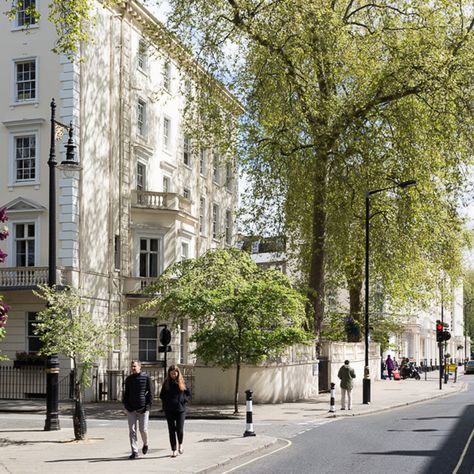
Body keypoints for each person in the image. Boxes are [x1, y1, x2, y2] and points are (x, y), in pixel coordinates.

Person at [123, 360, 154, 459]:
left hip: (143, 408)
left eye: (135, 366)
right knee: (132, 430)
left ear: (140, 367)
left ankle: (145, 443)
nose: (133, 368)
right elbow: (126, 393)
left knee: (143, 429)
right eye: (132, 366)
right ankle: (134, 451)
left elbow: (151, 393)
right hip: (131, 409)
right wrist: (126, 405)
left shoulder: (146, 378)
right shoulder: (128, 379)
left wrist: (147, 406)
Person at [160, 365, 191, 457]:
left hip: (180, 410)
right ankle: (174, 449)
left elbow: (188, 395)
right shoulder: (166, 383)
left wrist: (183, 400)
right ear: (169, 373)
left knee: (179, 430)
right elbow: (162, 395)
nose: (174, 374)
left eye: (175, 372)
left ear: (178, 373)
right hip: (169, 410)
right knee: (171, 430)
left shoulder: (183, 382)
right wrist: (167, 402)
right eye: (172, 372)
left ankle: (180, 444)